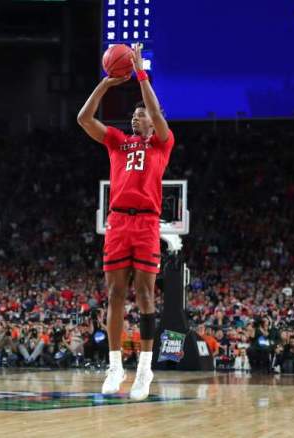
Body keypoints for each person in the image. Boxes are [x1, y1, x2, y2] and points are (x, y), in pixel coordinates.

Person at [77, 43, 174, 400]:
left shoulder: (163, 142)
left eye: (142, 114)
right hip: (118, 222)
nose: (136, 117)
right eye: (134, 115)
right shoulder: (118, 142)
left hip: (147, 223)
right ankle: (115, 365)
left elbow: (154, 110)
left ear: (154, 118)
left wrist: (140, 73)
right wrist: (106, 83)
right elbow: (83, 119)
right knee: (116, 294)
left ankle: (145, 369)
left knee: (146, 295)